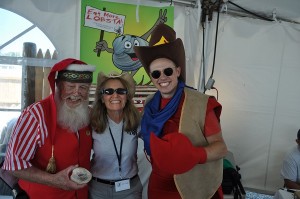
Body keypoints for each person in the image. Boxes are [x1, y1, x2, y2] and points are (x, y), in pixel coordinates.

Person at [134, 23, 228, 199]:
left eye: (167, 71)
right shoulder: (149, 104)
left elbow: (221, 148)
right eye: (156, 73)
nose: (162, 77)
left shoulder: (200, 103)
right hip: (158, 186)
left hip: (192, 188)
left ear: (178, 71)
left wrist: (196, 155)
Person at [2, 58, 96, 199]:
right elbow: (13, 164)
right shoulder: (35, 114)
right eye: (70, 86)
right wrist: (53, 180)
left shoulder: (88, 114)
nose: (76, 93)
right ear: (58, 86)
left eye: (83, 87)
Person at [89, 71, 143, 199]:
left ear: (127, 96)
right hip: (98, 190)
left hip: (130, 189)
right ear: (102, 98)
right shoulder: (91, 122)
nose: (115, 95)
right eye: (108, 92)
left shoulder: (137, 121)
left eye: (121, 91)